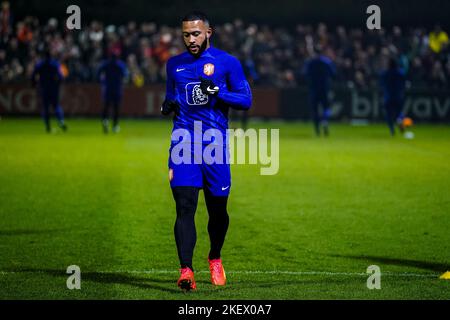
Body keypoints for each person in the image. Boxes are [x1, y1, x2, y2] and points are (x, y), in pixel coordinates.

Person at [161, 11, 252, 291]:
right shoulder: (174, 65)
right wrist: (168, 105)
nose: (191, 39)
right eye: (186, 34)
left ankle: (214, 256)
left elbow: (246, 100)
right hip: (183, 143)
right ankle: (186, 270)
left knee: (218, 212)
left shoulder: (228, 63)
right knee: (185, 207)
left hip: (215, 146)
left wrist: (218, 92)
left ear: (209, 32)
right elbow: (170, 96)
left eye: (196, 33)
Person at [303, 45, 336, 136]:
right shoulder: (326, 62)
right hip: (324, 89)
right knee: (326, 108)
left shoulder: (310, 62)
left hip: (313, 89)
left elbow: (304, 74)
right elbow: (334, 74)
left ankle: (317, 129)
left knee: (315, 110)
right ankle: (325, 122)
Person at [31, 50, 67, 133]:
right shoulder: (55, 64)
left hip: (43, 88)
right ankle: (61, 121)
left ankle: (48, 126)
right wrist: (59, 83)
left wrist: (33, 84)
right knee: (56, 105)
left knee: (45, 107)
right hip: (54, 88)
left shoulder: (40, 64)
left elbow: (33, 75)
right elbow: (61, 76)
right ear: (51, 56)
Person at [97, 50, 128, 133]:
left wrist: (101, 80)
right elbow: (126, 75)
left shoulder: (106, 64)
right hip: (117, 89)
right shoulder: (120, 65)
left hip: (107, 88)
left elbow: (98, 71)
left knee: (106, 106)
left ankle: (105, 120)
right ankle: (115, 126)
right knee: (116, 108)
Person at [379, 57, 406, 136]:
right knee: (399, 112)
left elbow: (381, 81)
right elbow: (404, 82)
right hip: (398, 96)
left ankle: (392, 129)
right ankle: (400, 121)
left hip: (388, 97)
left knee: (388, 114)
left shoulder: (385, 73)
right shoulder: (400, 73)